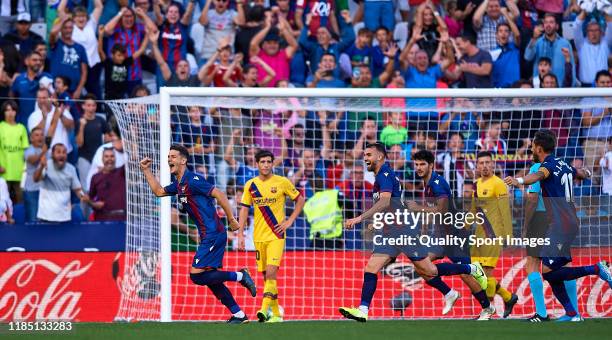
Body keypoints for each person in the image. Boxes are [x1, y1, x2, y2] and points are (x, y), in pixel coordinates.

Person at [339, 142, 487, 322]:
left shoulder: (385, 175)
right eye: (365, 155)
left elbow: (385, 202)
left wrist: (358, 219)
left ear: (380, 156)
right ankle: (363, 310)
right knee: (371, 268)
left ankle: (470, 270)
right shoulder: (383, 176)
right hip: (391, 232)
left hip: (404, 232)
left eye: (369, 155)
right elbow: (391, 207)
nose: (365, 158)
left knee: (429, 270)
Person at [140, 144, 257, 324]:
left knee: (196, 275)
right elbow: (158, 191)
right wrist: (146, 170)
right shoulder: (178, 185)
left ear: (183, 160)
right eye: (168, 156)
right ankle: (239, 314)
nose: (169, 159)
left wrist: (232, 220)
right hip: (209, 234)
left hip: (213, 233)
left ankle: (240, 276)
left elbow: (219, 194)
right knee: (210, 279)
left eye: (173, 156)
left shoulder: (193, 180)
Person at [504, 129, 612, 321]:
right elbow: (580, 173)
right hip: (568, 222)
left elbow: (537, 178)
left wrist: (517, 180)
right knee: (551, 270)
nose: (531, 149)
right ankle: (573, 313)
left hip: (560, 224)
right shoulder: (563, 164)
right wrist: (586, 172)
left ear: (538, 147)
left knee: (546, 271)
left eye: (533, 146)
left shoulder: (545, 166)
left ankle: (597, 269)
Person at [407, 150, 493, 320]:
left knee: (465, 276)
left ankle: (487, 308)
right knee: (421, 266)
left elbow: (441, 209)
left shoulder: (438, 183)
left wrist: (417, 208)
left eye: (422, 164)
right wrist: (424, 230)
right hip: (440, 236)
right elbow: (431, 207)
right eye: (416, 164)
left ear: (431, 165)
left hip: (454, 235)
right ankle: (449, 293)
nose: (418, 168)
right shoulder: (428, 182)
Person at [238, 149, 305, 323]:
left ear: (273, 163)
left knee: (271, 273)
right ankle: (276, 314)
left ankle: (263, 309)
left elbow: (300, 199)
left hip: (276, 235)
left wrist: (289, 221)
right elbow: (244, 208)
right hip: (258, 237)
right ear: (257, 164)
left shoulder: (282, 182)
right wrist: (240, 234)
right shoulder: (251, 185)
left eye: (269, 162)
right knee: (267, 277)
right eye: (263, 162)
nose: (266, 165)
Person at [471, 151, 518, 317]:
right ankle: (508, 296)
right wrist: (462, 227)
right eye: (481, 163)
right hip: (478, 235)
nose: (484, 166)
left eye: (487, 162)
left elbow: (505, 210)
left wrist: (508, 235)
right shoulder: (476, 184)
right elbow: (473, 210)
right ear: (477, 166)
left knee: (487, 273)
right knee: (477, 275)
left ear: (492, 164)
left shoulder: (498, 184)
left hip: (493, 234)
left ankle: (487, 311)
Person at [33, 143, 88, 222]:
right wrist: (41, 167)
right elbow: (36, 179)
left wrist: (82, 196)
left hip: (64, 216)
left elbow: (77, 189)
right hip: (46, 216)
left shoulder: (71, 169)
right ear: (52, 154)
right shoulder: (46, 165)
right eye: (58, 152)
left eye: (64, 152)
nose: (61, 155)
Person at [524, 13, 575, 87]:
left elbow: (571, 65)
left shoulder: (565, 43)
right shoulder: (537, 42)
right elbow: (527, 57)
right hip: (540, 89)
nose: (548, 25)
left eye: (551, 22)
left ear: (557, 26)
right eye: (546, 22)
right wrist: (534, 38)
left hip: (560, 88)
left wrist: (571, 88)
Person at [49, 15, 88, 99]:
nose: (68, 30)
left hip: (73, 91)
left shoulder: (80, 48)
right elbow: (52, 32)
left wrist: (79, 90)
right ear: (61, 29)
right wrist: (63, 19)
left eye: (70, 28)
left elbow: (84, 72)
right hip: (56, 91)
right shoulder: (56, 44)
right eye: (65, 28)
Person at [9, 51, 52, 125]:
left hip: (43, 121)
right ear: (26, 61)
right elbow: (11, 96)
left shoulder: (47, 77)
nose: (38, 62)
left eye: (40, 60)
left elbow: (54, 98)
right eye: (35, 60)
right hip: (23, 121)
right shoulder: (19, 79)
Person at [0, 100, 29, 203]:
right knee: (3, 202)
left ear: (16, 112)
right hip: (3, 172)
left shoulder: (21, 128)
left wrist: (25, 169)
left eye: (13, 110)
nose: (10, 113)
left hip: (19, 172)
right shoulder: (0, 127)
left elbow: (26, 151)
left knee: (20, 201)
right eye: (7, 110)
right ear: (3, 112)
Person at [88, 148, 126, 221]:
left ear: (115, 158)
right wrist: (93, 203)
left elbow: (133, 160)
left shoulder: (122, 172)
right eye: (106, 156)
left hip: (121, 218)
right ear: (102, 159)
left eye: (112, 156)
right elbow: (90, 199)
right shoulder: (95, 177)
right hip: (102, 219)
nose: (109, 159)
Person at [23, 127, 47, 222]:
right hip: (32, 191)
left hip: (46, 191)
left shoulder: (48, 151)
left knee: (45, 221)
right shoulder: (28, 149)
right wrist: (43, 151)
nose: (40, 137)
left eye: (41, 135)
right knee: (33, 221)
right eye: (36, 135)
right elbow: (33, 160)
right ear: (31, 138)